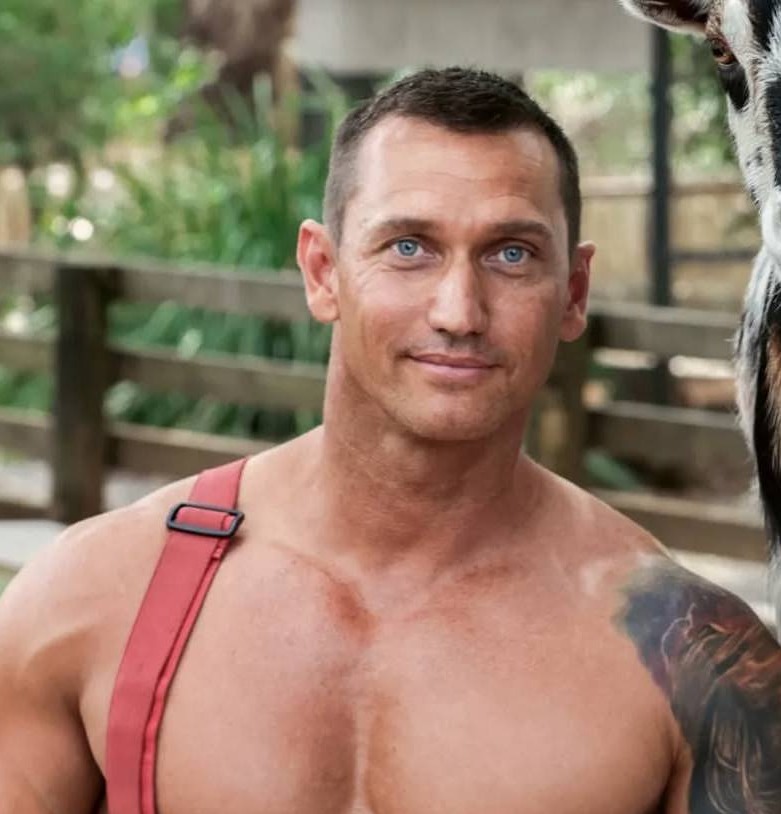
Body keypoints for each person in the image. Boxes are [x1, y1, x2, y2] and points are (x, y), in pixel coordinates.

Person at [1, 66, 779, 814]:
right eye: (408, 247)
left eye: (511, 254)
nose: (458, 311)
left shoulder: (694, 661)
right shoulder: (94, 595)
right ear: (322, 271)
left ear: (573, 292)